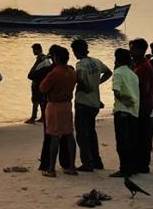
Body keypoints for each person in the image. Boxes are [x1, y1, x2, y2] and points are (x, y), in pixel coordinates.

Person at [71, 39, 112, 172]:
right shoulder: (96, 61)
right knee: (91, 132)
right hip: (95, 102)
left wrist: (85, 86)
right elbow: (108, 72)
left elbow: (80, 76)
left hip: (83, 102)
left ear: (76, 51)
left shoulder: (80, 64)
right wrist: (97, 83)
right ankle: (96, 160)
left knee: (82, 134)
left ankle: (87, 163)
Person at [39, 45, 78, 177]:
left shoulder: (54, 73)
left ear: (56, 58)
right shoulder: (72, 71)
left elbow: (43, 88)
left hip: (55, 105)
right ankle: (71, 167)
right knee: (69, 135)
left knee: (54, 136)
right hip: (67, 105)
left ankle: (51, 169)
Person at [111, 48, 140, 178]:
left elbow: (116, 90)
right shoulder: (133, 74)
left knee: (122, 141)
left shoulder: (118, 73)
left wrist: (122, 99)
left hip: (122, 110)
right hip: (133, 110)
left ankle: (124, 169)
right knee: (132, 140)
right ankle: (132, 167)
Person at [129, 39, 153, 175]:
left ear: (141, 50)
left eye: (133, 49)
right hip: (141, 104)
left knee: (142, 135)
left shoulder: (144, 67)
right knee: (139, 135)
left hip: (143, 105)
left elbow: (144, 88)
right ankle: (140, 163)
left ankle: (142, 165)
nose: (131, 52)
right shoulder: (138, 65)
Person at [25, 44, 51, 124]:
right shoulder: (45, 59)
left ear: (38, 49)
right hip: (40, 82)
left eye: (34, 50)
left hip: (38, 82)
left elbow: (36, 73)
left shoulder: (42, 60)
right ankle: (42, 116)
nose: (33, 52)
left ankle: (34, 117)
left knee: (36, 100)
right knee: (40, 100)